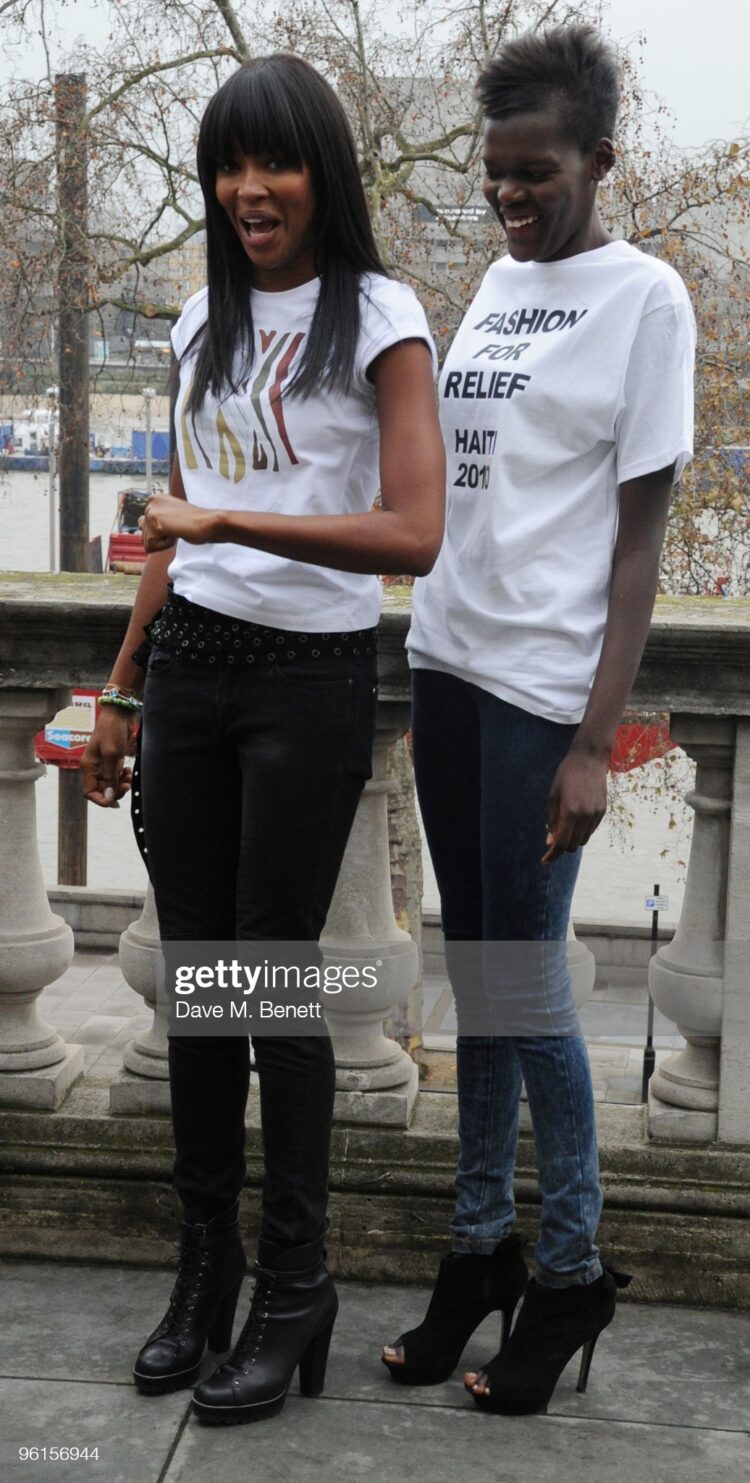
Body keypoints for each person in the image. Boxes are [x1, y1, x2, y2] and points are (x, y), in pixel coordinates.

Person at [82, 53, 444, 1426]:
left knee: (271, 986)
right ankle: (206, 1270)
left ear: (321, 174)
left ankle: (296, 1285)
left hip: (307, 676)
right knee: (198, 985)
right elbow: (172, 535)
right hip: (191, 671)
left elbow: (414, 531)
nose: (248, 188)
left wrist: (233, 520)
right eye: (228, 165)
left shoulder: (381, 318)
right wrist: (122, 689)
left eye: (274, 162)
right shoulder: (201, 322)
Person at [383, 24, 695, 1415]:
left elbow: (639, 545)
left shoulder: (647, 301)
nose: (509, 197)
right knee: (481, 975)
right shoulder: (499, 286)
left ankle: (565, 1270)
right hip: (448, 667)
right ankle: (477, 1252)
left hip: (540, 697)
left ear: (600, 161)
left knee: (524, 991)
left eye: (537, 174)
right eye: (495, 173)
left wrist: (590, 743)